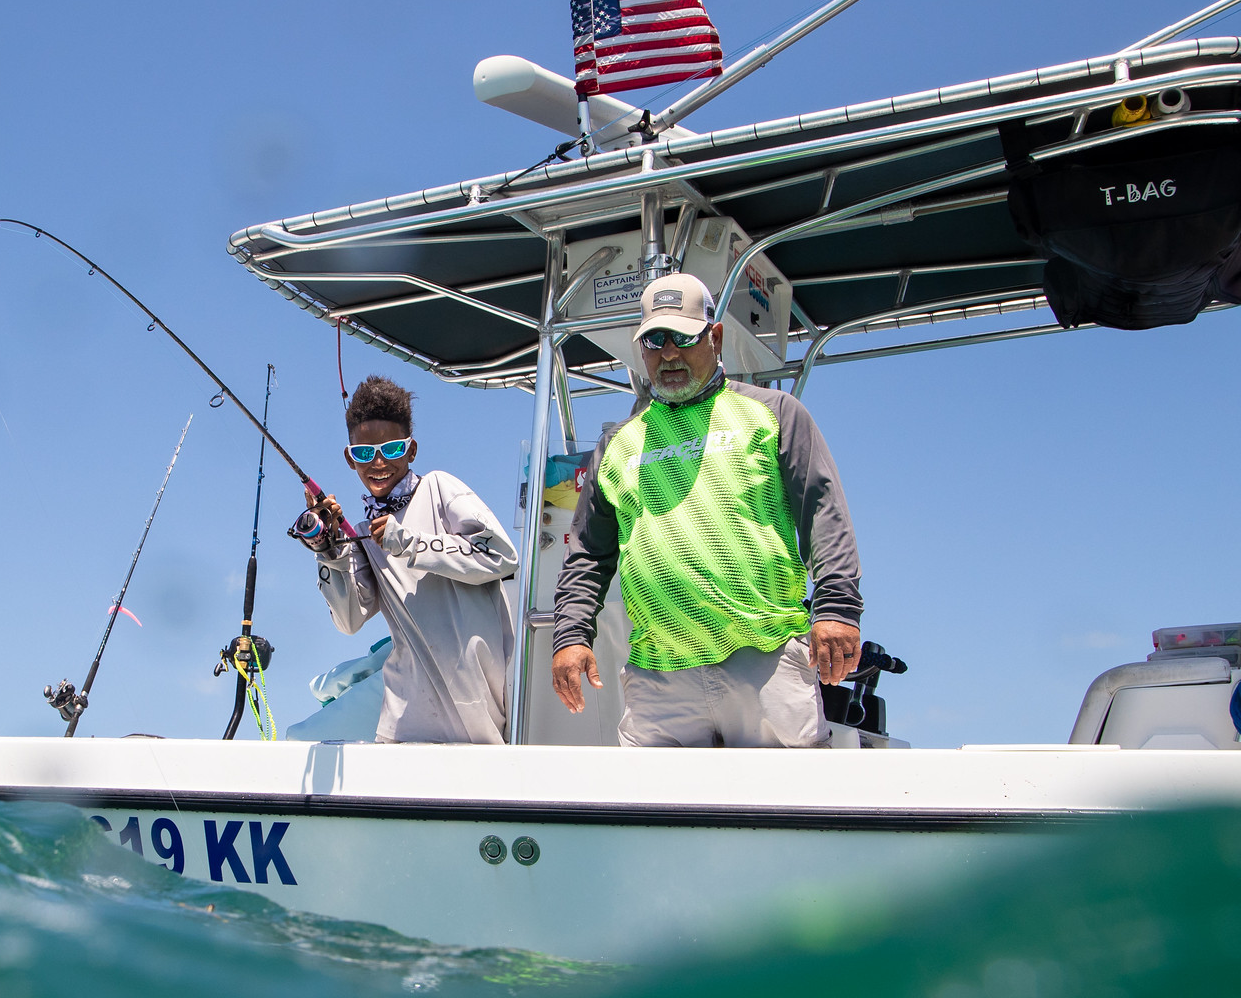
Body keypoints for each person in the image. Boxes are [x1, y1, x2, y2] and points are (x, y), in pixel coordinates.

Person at [550, 274, 862, 747]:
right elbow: (589, 556)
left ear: (714, 337)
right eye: (654, 340)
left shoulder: (775, 412)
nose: (668, 353)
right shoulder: (617, 443)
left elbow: (824, 515)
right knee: (651, 816)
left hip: (766, 657)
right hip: (657, 674)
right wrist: (570, 636)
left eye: (682, 337)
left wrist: (837, 608)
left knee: (786, 813)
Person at [312, 375, 518, 744]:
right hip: (403, 724)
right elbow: (348, 620)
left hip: (477, 716)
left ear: (411, 451)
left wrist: (409, 542)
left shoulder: (439, 488)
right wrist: (329, 549)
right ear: (349, 457)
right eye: (363, 453)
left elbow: (501, 556)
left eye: (391, 450)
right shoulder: (362, 532)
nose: (377, 463)